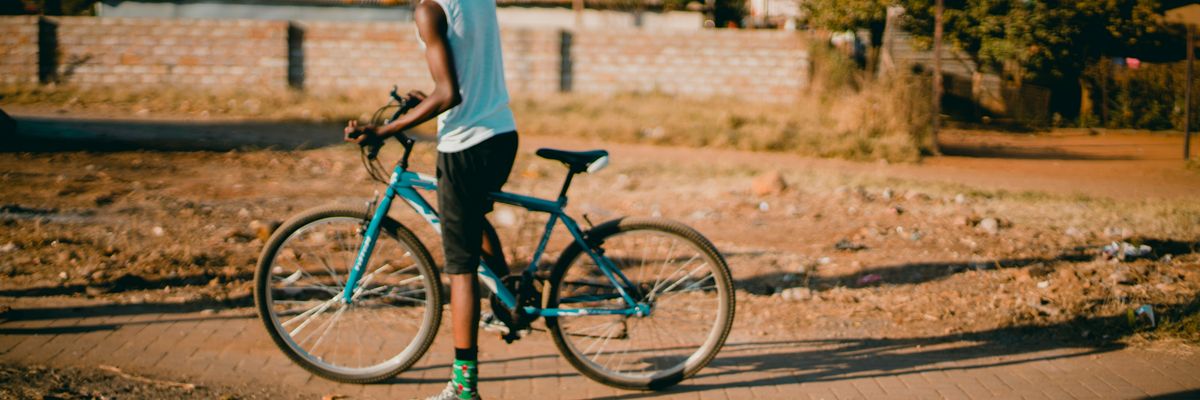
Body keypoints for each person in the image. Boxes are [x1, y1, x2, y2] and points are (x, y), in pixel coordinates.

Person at [343, 0, 518, 397]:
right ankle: (510, 302)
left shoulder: (429, 9)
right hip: (500, 134)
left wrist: (384, 130)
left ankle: (463, 386)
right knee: (468, 220)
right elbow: (464, 70)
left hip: (466, 146)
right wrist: (423, 103)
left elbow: (449, 93)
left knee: (460, 270)